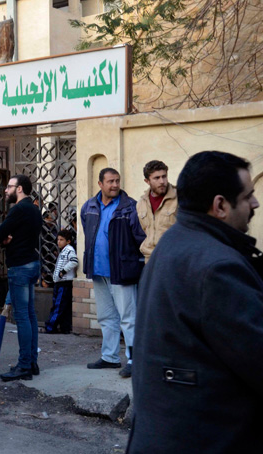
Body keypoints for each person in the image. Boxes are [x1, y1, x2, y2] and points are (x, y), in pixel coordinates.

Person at [127, 151, 262, 452]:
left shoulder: (174, 242)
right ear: (220, 205)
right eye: (248, 196)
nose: (255, 203)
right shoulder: (217, 267)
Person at [81, 168, 145, 378]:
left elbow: (140, 237)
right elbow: (88, 230)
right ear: (100, 184)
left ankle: (135, 361)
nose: (115, 185)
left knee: (128, 318)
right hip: (98, 271)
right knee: (106, 316)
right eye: (110, 181)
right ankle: (110, 357)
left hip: (122, 270)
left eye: (117, 181)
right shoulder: (89, 206)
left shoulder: (129, 207)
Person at [0, 175, 43, 381]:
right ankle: (31, 362)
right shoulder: (34, 209)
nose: (6, 190)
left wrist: (4, 239)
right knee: (30, 315)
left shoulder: (19, 209)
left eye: (9, 186)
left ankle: (24, 366)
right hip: (32, 263)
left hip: (20, 267)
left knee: (22, 317)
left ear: (19, 189)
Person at [136, 160, 178, 261]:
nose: (162, 181)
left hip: (174, 258)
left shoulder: (180, 198)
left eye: (164, 176)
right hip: (150, 259)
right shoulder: (141, 203)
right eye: (156, 178)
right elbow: (147, 231)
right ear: (147, 181)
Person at [45, 228, 78, 334]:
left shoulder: (69, 250)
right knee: (64, 307)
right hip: (60, 282)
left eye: (61, 240)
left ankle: (50, 327)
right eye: (58, 239)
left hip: (64, 283)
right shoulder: (64, 250)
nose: (58, 242)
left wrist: (62, 272)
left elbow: (74, 261)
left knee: (58, 306)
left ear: (68, 241)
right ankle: (65, 328)